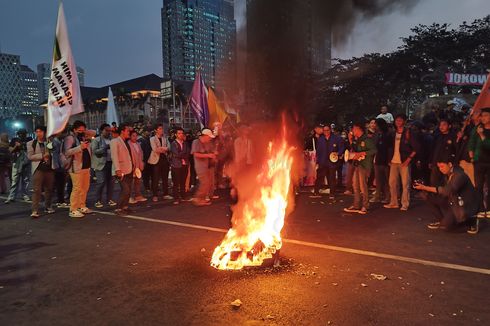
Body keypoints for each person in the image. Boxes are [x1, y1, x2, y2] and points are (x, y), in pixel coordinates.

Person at [414, 157, 480, 234]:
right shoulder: (448, 174)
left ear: (450, 164)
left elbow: (447, 191)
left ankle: (470, 222)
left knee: (448, 226)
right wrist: (424, 189)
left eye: (442, 166)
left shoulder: (459, 175)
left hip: (465, 205)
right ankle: (443, 220)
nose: (440, 169)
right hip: (455, 202)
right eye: (439, 167)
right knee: (427, 196)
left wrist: (425, 188)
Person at [384, 114, 419, 211]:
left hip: (404, 161)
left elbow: (416, 148)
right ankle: (394, 202)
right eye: (397, 120)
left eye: (400, 120)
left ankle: (405, 203)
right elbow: (390, 147)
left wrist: (408, 160)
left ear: (404, 121)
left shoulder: (409, 133)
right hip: (394, 162)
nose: (398, 122)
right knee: (392, 183)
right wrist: (389, 160)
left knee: (405, 184)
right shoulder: (393, 133)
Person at [64, 121, 95, 218]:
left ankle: (82, 205)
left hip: (86, 166)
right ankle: (73, 209)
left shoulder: (84, 136)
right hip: (76, 167)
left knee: (85, 188)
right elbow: (67, 152)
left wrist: (84, 132)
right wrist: (80, 147)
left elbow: (93, 132)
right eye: (79, 130)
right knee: (77, 188)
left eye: (83, 129)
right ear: (74, 129)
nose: (81, 132)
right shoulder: (70, 138)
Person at [344, 122, 377, 214]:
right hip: (357, 164)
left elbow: (374, 150)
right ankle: (356, 205)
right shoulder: (357, 139)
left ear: (359, 129)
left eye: (354, 129)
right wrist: (350, 141)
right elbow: (354, 149)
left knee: (363, 185)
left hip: (365, 165)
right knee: (355, 185)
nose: (352, 131)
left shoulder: (367, 139)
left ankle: (365, 205)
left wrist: (363, 153)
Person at [26, 126, 55, 218]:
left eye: (41, 132)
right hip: (38, 169)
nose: (39, 133)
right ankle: (35, 210)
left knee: (49, 189)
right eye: (37, 132)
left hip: (49, 169)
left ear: (45, 132)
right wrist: (42, 155)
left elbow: (55, 152)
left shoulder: (50, 142)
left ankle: (48, 206)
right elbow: (30, 156)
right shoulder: (31, 143)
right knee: (37, 190)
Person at [469, 107, 490, 217]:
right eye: (482, 116)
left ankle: (489, 209)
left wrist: (482, 135)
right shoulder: (477, 128)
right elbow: (471, 141)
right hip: (478, 162)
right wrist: (471, 152)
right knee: (478, 186)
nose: (483, 118)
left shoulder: (482, 131)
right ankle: (480, 208)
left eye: (486, 116)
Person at [312, 124, 343, 199]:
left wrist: (338, 153)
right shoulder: (321, 139)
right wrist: (318, 161)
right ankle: (316, 191)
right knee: (320, 177)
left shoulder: (336, 138)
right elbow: (318, 151)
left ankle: (332, 193)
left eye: (327, 130)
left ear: (330, 130)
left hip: (332, 161)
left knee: (332, 177)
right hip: (322, 161)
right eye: (324, 130)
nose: (326, 132)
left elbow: (341, 148)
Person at [91, 123, 116, 208]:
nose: (109, 132)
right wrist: (105, 148)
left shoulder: (112, 139)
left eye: (110, 131)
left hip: (111, 163)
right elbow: (94, 151)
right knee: (101, 182)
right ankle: (97, 200)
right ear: (102, 130)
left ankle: (109, 199)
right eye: (107, 130)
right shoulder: (96, 140)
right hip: (100, 164)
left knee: (111, 183)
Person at [110, 124, 134, 215]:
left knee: (128, 190)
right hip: (120, 170)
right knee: (125, 190)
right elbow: (114, 156)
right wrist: (117, 169)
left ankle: (125, 206)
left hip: (129, 169)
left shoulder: (126, 142)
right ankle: (118, 208)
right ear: (122, 131)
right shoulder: (115, 141)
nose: (129, 132)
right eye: (127, 131)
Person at [4, 129, 31, 203]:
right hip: (16, 162)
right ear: (18, 134)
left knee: (25, 180)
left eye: (23, 134)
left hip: (26, 162)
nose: (22, 135)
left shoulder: (29, 140)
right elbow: (10, 150)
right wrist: (16, 146)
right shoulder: (14, 140)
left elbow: (31, 149)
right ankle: (11, 196)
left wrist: (23, 145)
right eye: (20, 134)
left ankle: (25, 195)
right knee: (15, 180)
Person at [191, 128, 217, 206]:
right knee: (205, 183)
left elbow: (211, 152)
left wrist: (213, 154)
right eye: (209, 137)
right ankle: (198, 199)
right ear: (205, 136)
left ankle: (201, 199)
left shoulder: (207, 143)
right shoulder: (196, 142)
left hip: (207, 166)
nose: (209, 139)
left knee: (208, 183)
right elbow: (196, 154)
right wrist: (208, 155)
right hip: (200, 167)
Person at [429, 119, 457, 188]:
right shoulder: (437, 136)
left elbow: (456, 150)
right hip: (436, 163)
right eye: (440, 125)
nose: (441, 127)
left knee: (446, 182)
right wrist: (431, 161)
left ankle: (446, 197)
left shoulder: (453, 137)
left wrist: (452, 162)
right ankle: (434, 196)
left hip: (447, 164)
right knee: (434, 181)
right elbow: (433, 150)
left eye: (444, 125)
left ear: (449, 126)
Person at [148, 124, 172, 202]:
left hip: (164, 159)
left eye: (162, 128)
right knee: (156, 178)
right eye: (160, 128)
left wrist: (162, 149)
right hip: (156, 160)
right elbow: (155, 149)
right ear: (156, 130)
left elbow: (168, 148)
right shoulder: (152, 139)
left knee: (165, 178)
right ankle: (155, 195)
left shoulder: (165, 138)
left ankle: (166, 194)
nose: (162, 130)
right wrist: (163, 149)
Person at [370, 118, 391, 204]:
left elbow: (389, 148)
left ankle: (388, 197)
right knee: (378, 180)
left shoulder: (388, 135)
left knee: (386, 180)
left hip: (385, 161)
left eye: (376, 124)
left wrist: (389, 159)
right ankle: (377, 196)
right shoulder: (376, 134)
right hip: (377, 160)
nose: (374, 126)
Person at [170, 127, 191, 204]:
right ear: (175, 134)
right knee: (176, 182)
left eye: (182, 133)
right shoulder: (173, 143)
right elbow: (176, 154)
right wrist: (183, 153)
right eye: (179, 133)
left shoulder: (185, 143)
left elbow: (188, 153)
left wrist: (182, 154)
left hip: (184, 164)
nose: (181, 135)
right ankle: (176, 197)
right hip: (176, 165)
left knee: (183, 181)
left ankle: (183, 196)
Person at [128, 130, 147, 204]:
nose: (135, 137)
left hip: (138, 166)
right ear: (130, 136)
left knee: (138, 181)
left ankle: (138, 195)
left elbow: (141, 154)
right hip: (132, 166)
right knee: (131, 183)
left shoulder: (138, 144)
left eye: (136, 136)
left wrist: (141, 163)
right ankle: (130, 197)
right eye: (133, 136)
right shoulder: (128, 144)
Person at [138, 127, 152, 194]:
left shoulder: (149, 139)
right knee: (145, 175)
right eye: (147, 131)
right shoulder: (141, 140)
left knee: (150, 174)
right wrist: (142, 160)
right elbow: (140, 151)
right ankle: (147, 187)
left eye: (149, 131)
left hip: (150, 159)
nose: (149, 133)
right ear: (144, 132)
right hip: (144, 160)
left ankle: (150, 187)